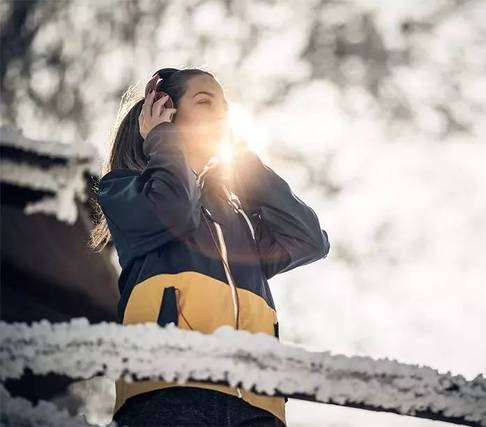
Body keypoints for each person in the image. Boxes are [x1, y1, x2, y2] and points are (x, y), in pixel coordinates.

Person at [88, 67, 331, 426]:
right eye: (205, 101)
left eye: (225, 106)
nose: (221, 114)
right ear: (166, 110)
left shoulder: (238, 218)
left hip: (257, 402)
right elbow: (174, 211)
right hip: (167, 390)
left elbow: (309, 240)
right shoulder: (125, 190)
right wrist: (161, 137)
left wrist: (248, 170)